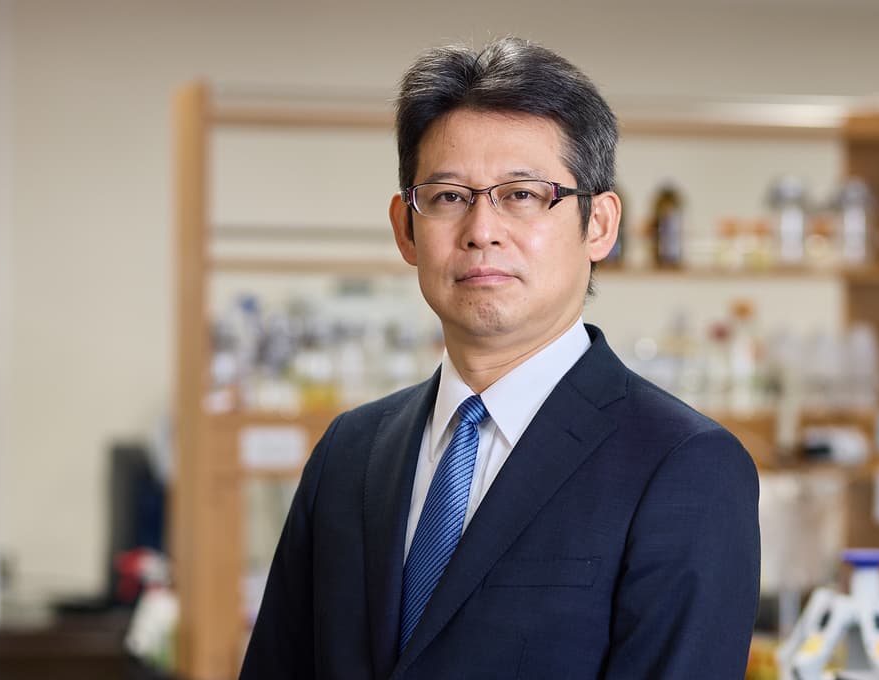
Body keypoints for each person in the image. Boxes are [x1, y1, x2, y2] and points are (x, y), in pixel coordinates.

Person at [239, 37, 760, 680]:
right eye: (449, 196)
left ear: (599, 225)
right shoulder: (350, 453)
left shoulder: (686, 465)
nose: (482, 231)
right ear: (406, 228)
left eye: (522, 194)